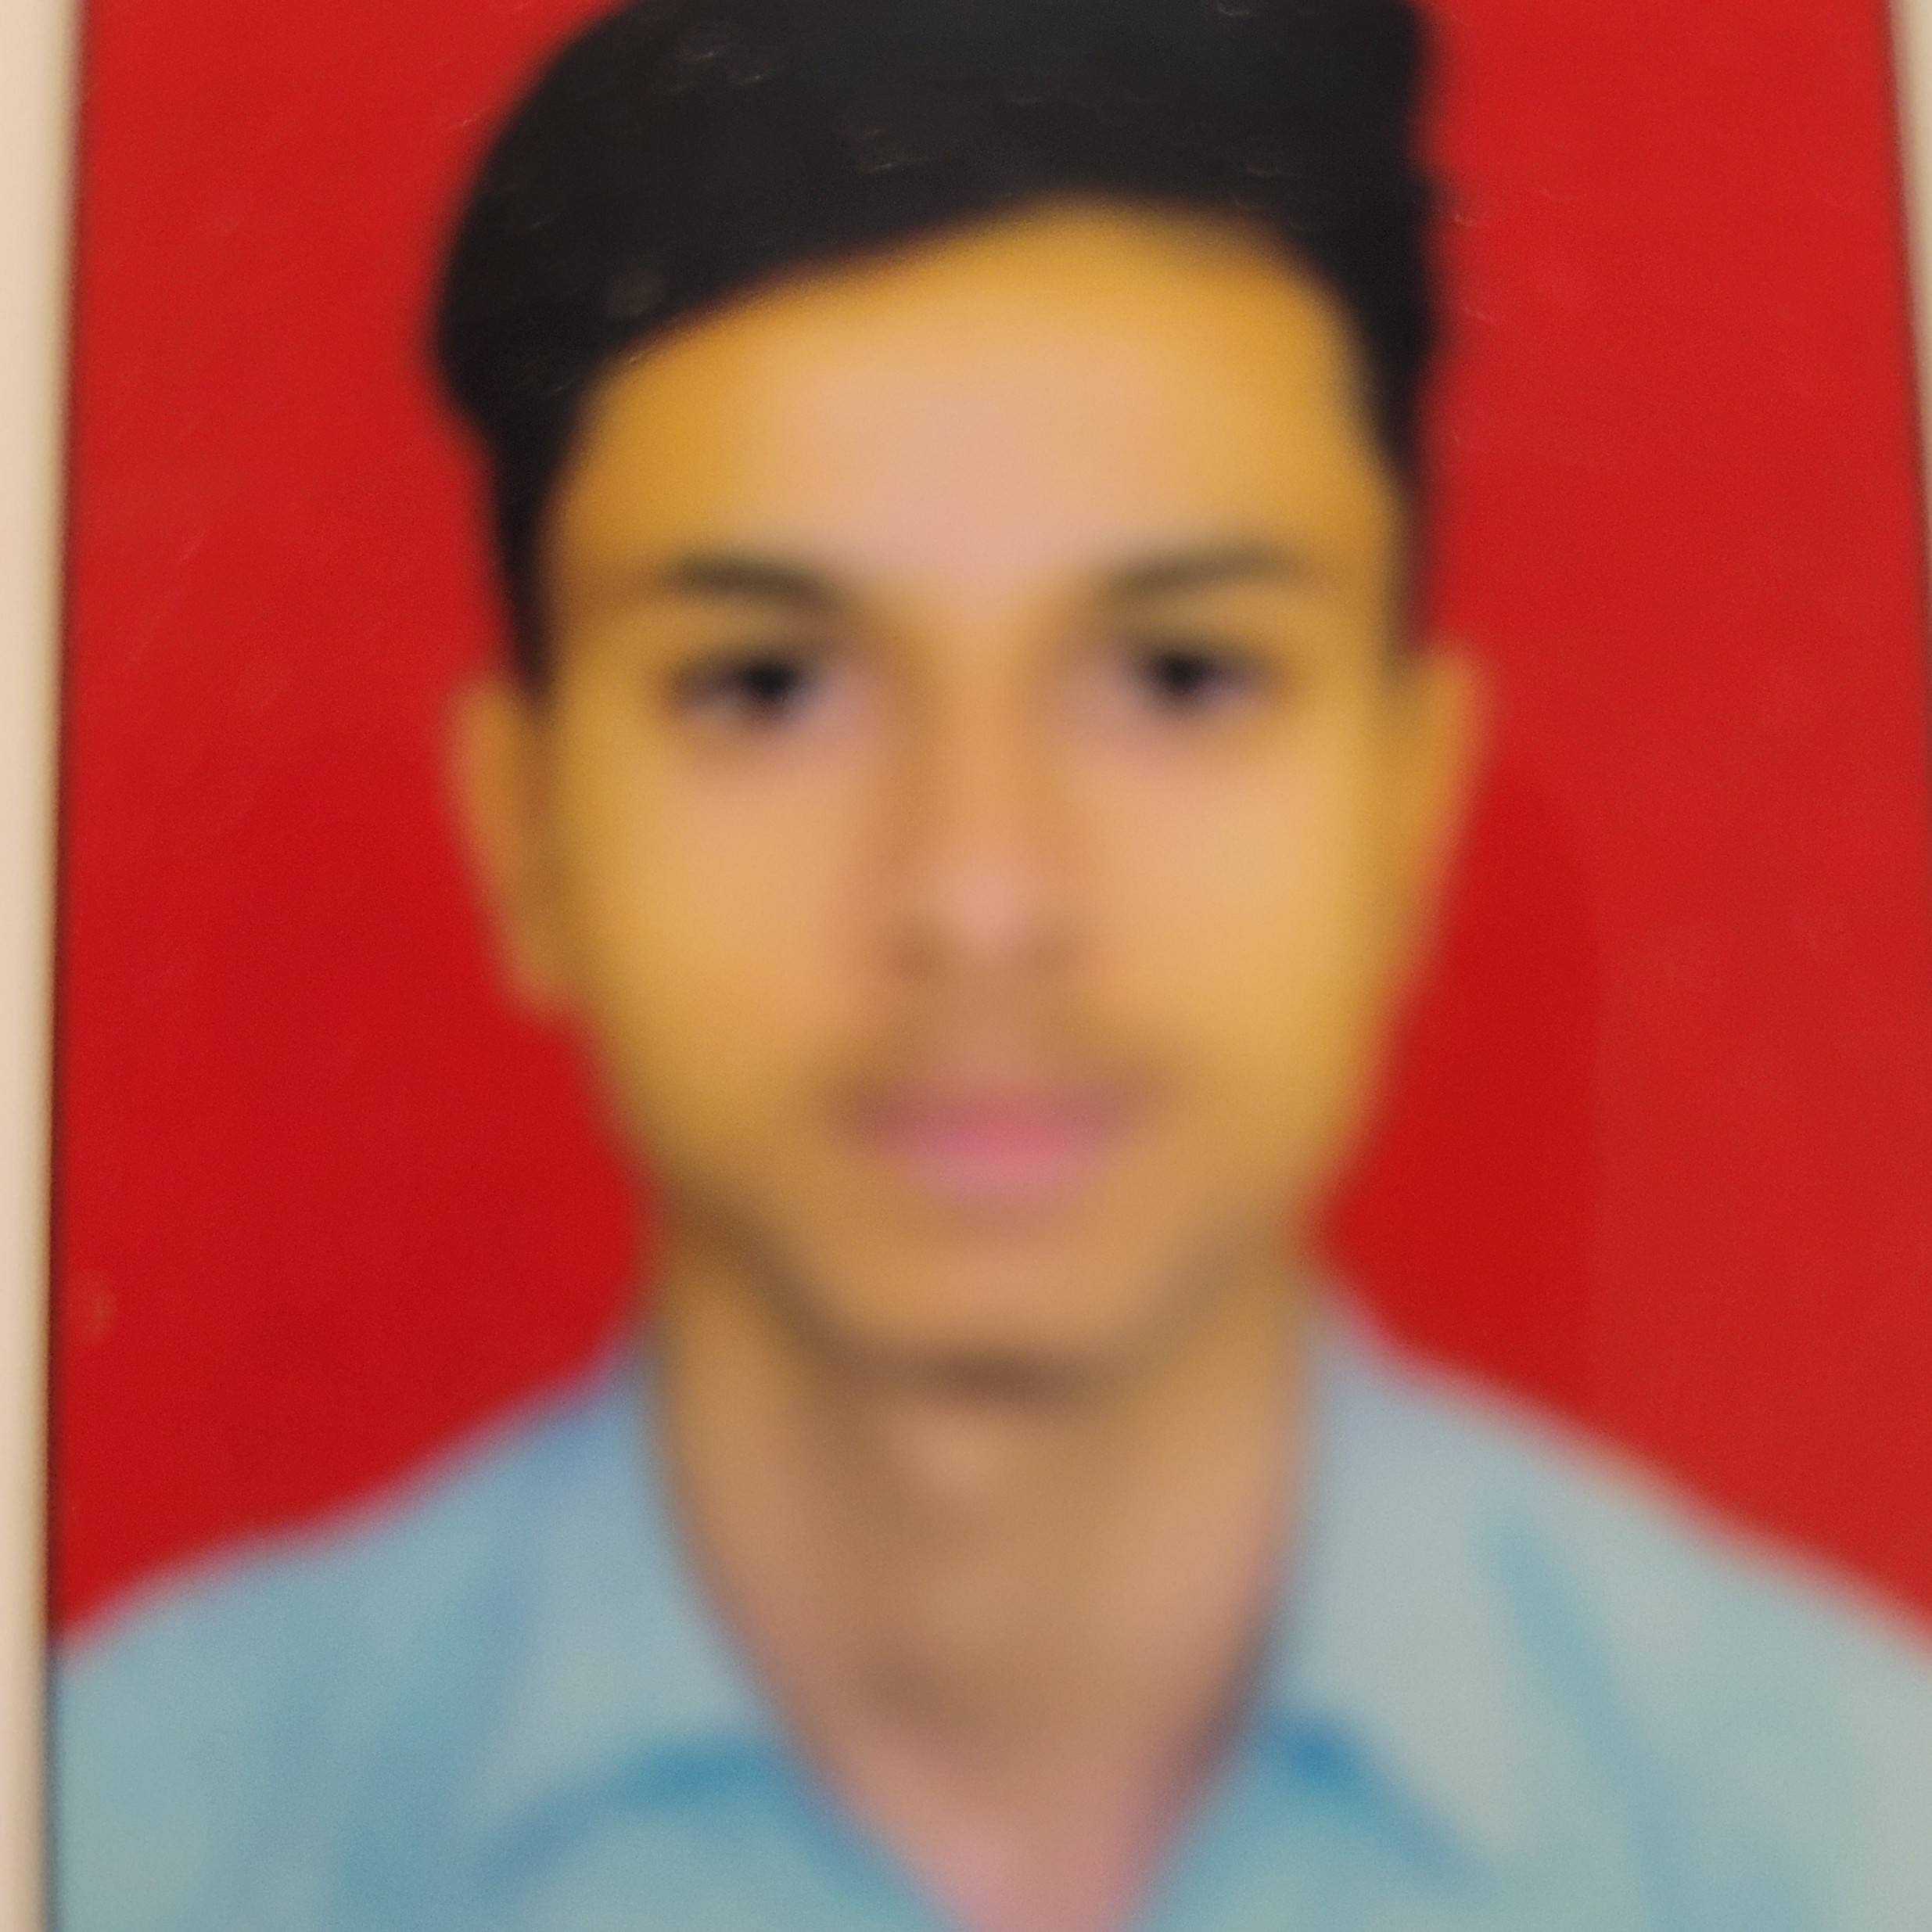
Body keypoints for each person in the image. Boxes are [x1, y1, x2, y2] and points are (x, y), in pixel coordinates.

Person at [52, 0, 1932, 1927]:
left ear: (1405, 803)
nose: (978, 891)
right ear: (523, 825)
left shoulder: (1850, 1835)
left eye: (1177, 675)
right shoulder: (124, 1832)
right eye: (766, 686)